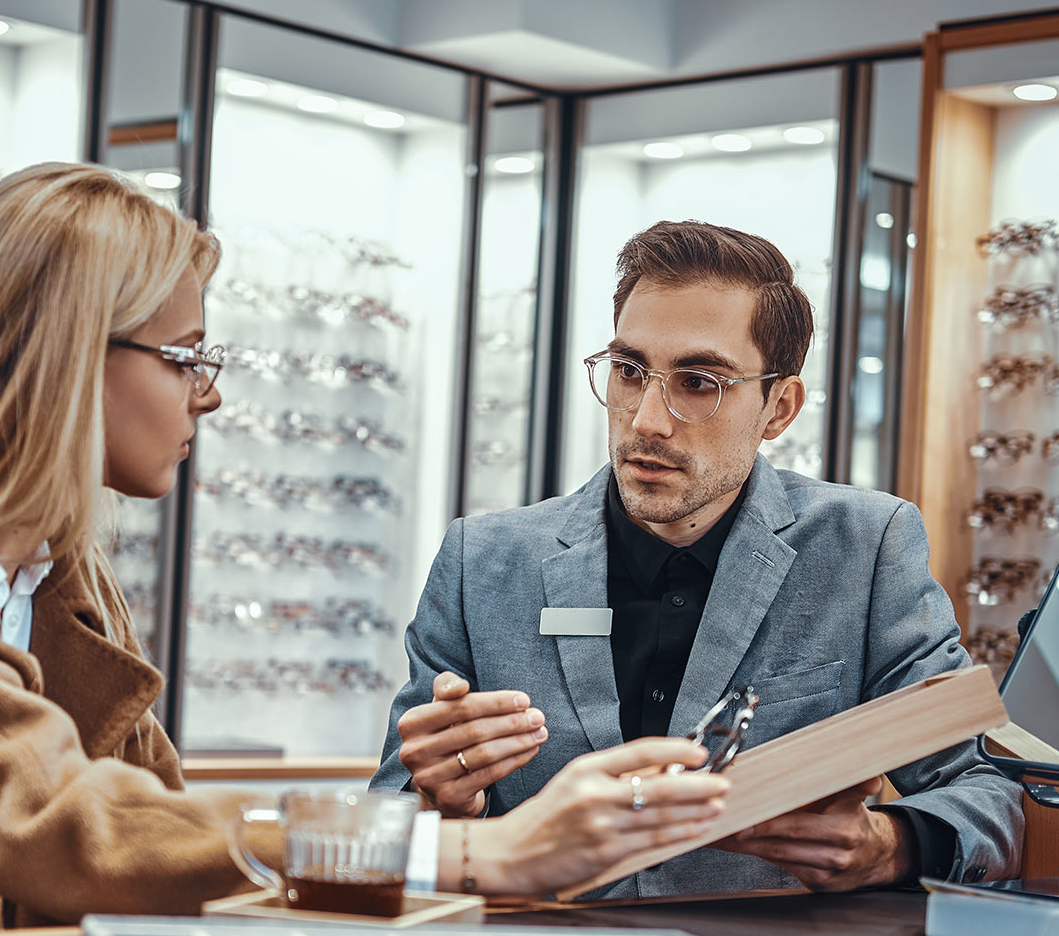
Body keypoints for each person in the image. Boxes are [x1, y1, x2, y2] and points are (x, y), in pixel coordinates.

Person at [0, 164, 730, 935]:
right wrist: (476, 852)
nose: (212, 395)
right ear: (67, 356)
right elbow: (63, 822)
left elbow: (151, 826)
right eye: (187, 356)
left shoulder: (58, 573)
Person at [373, 219, 1023, 896]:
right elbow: (383, 825)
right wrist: (444, 807)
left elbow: (987, 796)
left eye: (698, 382)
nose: (647, 420)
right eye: (629, 372)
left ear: (779, 407)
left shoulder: (865, 547)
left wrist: (889, 846)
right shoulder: (482, 561)